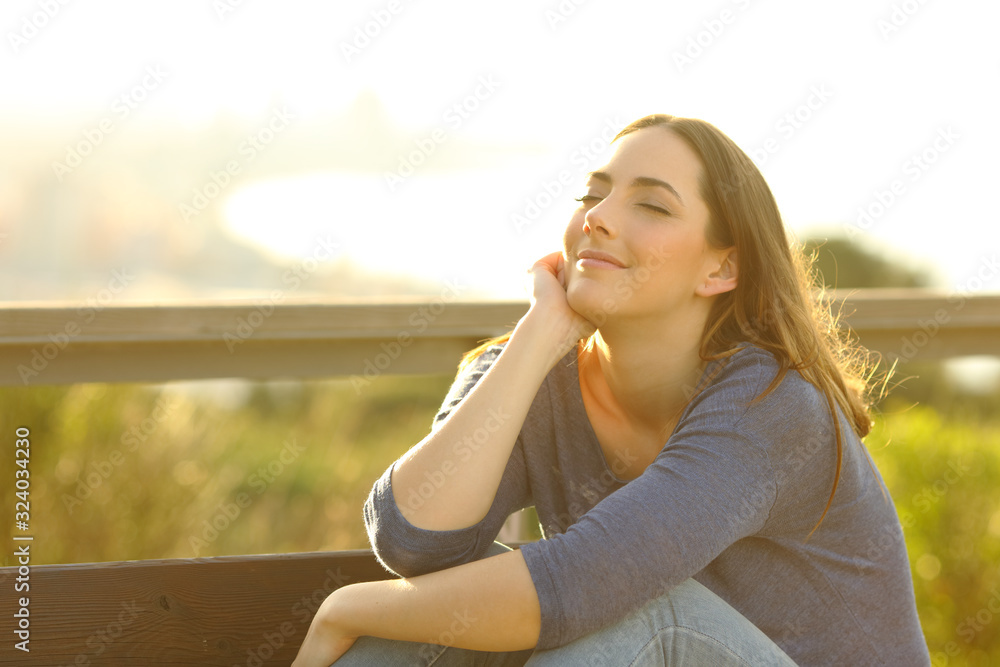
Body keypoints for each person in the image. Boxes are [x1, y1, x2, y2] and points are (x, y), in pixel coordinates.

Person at [292, 114, 930, 666]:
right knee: (440, 609)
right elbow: (417, 543)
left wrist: (347, 608)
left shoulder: (769, 406)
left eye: (651, 205)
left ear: (722, 267)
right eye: (591, 196)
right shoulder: (531, 371)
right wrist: (537, 337)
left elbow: (585, 581)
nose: (597, 218)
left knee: (653, 613)